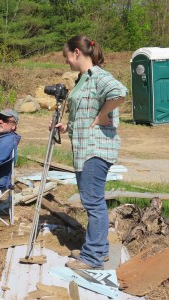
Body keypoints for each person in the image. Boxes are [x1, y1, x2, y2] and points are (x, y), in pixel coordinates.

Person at [53, 35, 128, 269]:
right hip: (84, 148)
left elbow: (119, 92)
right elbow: (84, 114)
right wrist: (67, 126)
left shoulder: (98, 76)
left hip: (96, 149)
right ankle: (100, 250)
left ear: (77, 53)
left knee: (93, 202)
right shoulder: (83, 80)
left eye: (66, 56)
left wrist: (104, 115)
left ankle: (93, 256)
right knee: (92, 201)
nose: (66, 61)